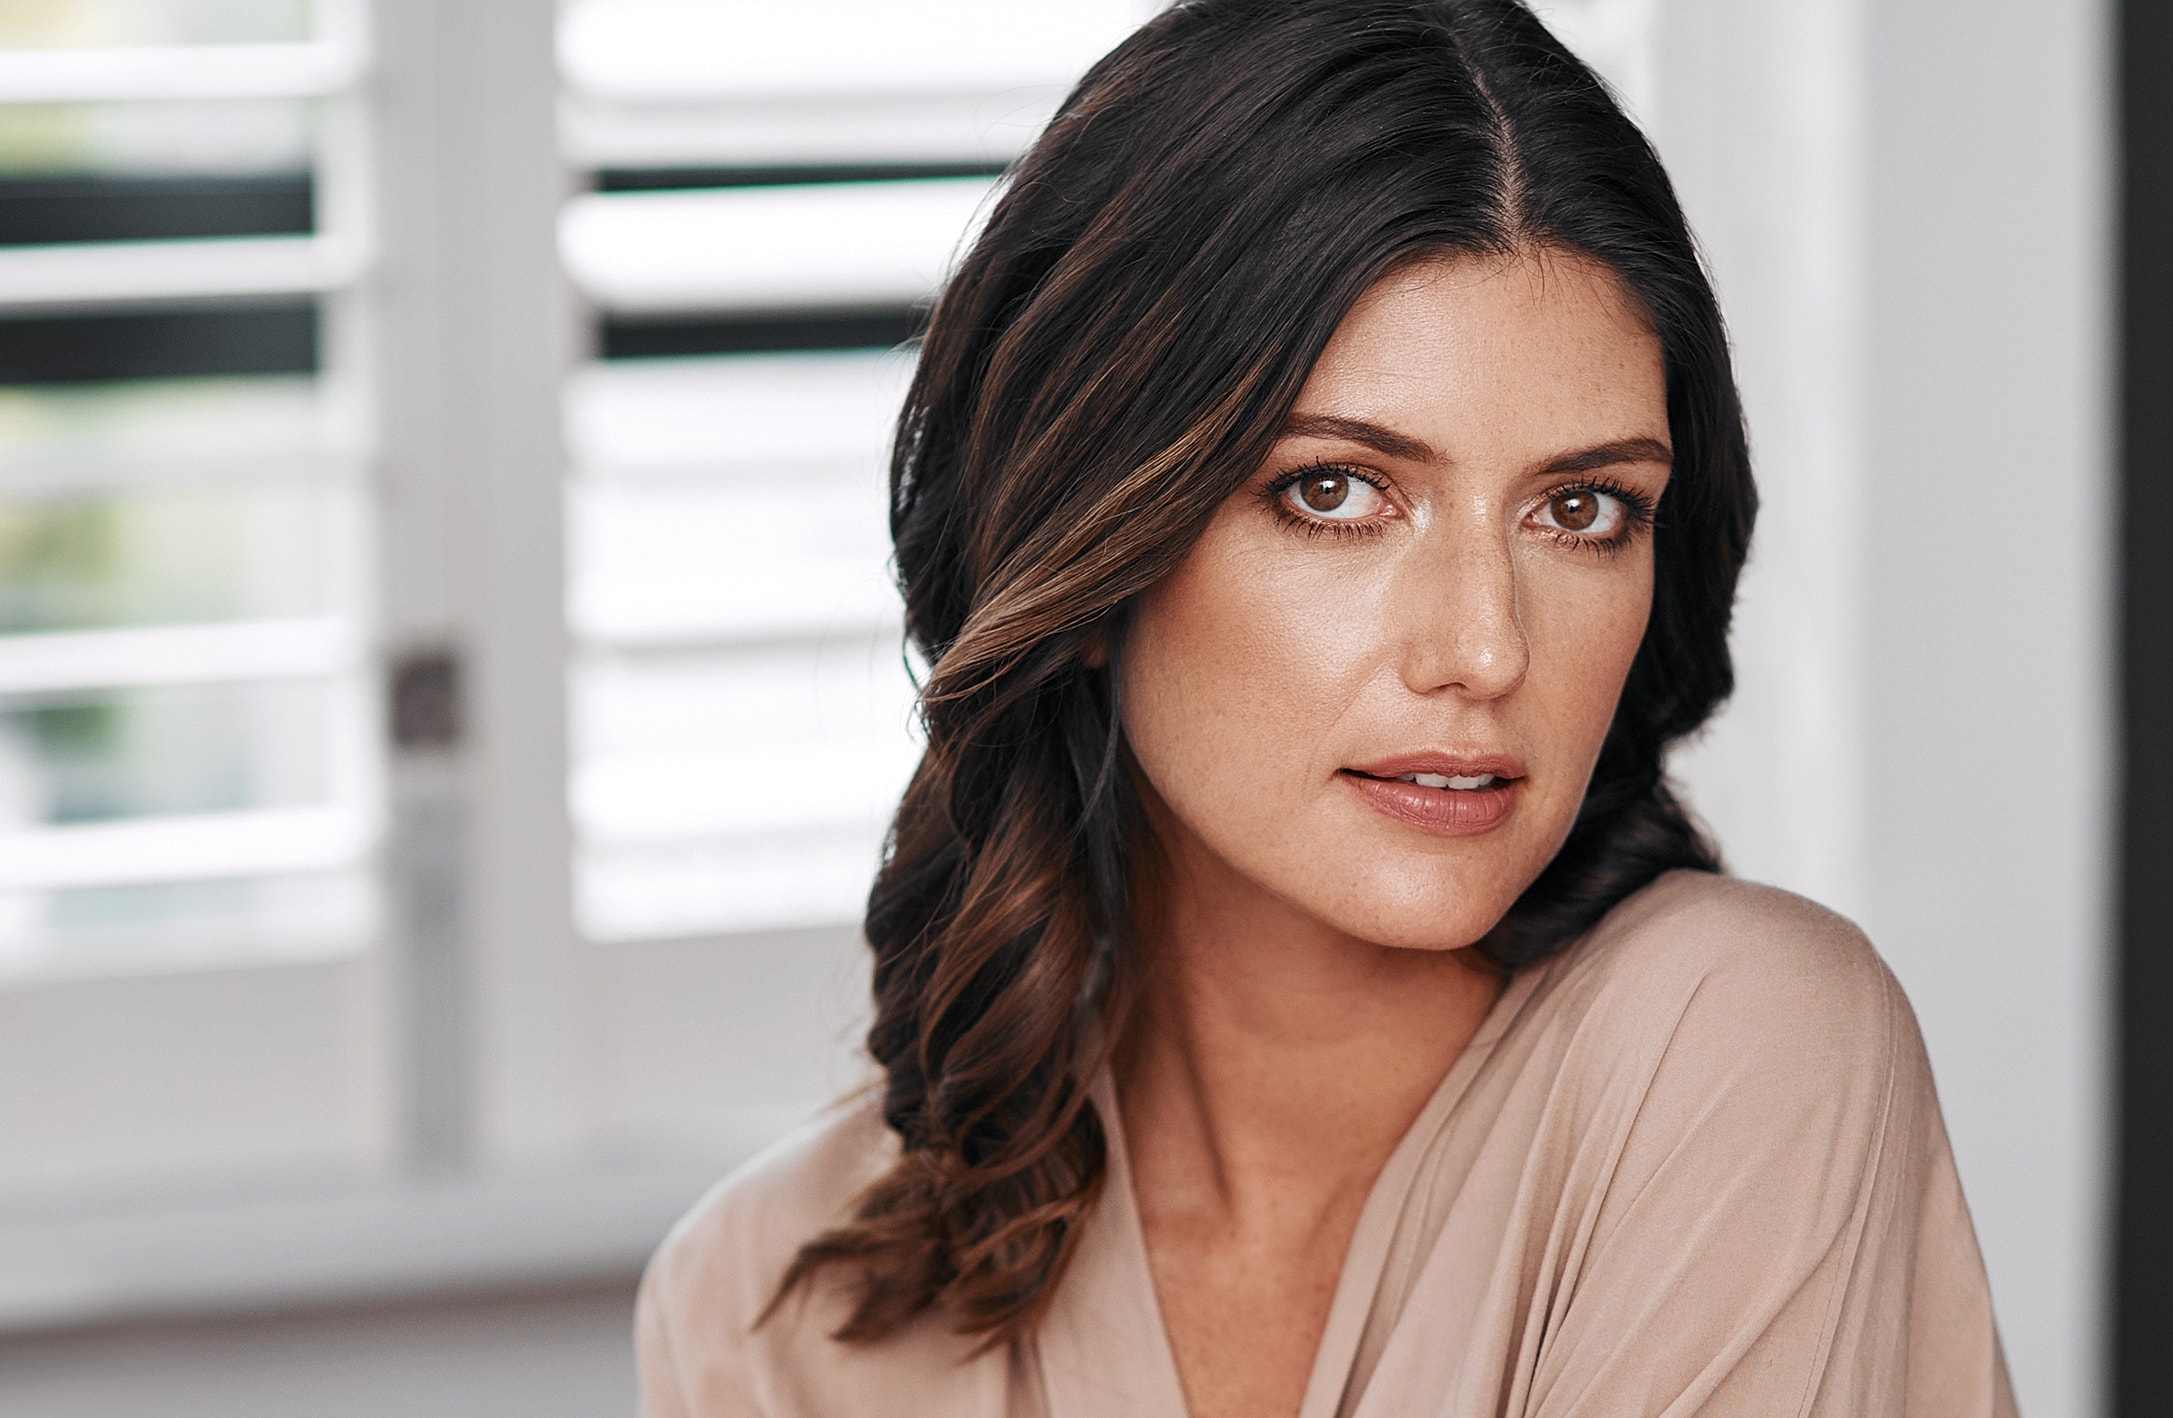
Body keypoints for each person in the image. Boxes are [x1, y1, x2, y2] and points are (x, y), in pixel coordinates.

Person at [634, 2, 2015, 1414]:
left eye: (1582, 508)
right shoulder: (766, 1307)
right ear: (1095, 532)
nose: (1485, 648)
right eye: (1336, 490)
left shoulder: (1739, 1043)